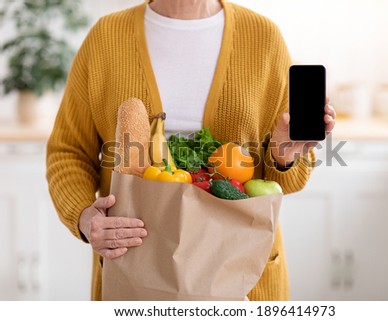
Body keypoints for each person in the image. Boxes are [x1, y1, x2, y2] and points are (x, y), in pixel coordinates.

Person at [46, 0, 336, 301]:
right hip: (135, 270)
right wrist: (84, 216)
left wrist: (284, 154)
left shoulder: (263, 37)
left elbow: (289, 181)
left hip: (245, 278)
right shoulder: (107, 37)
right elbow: (68, 151)